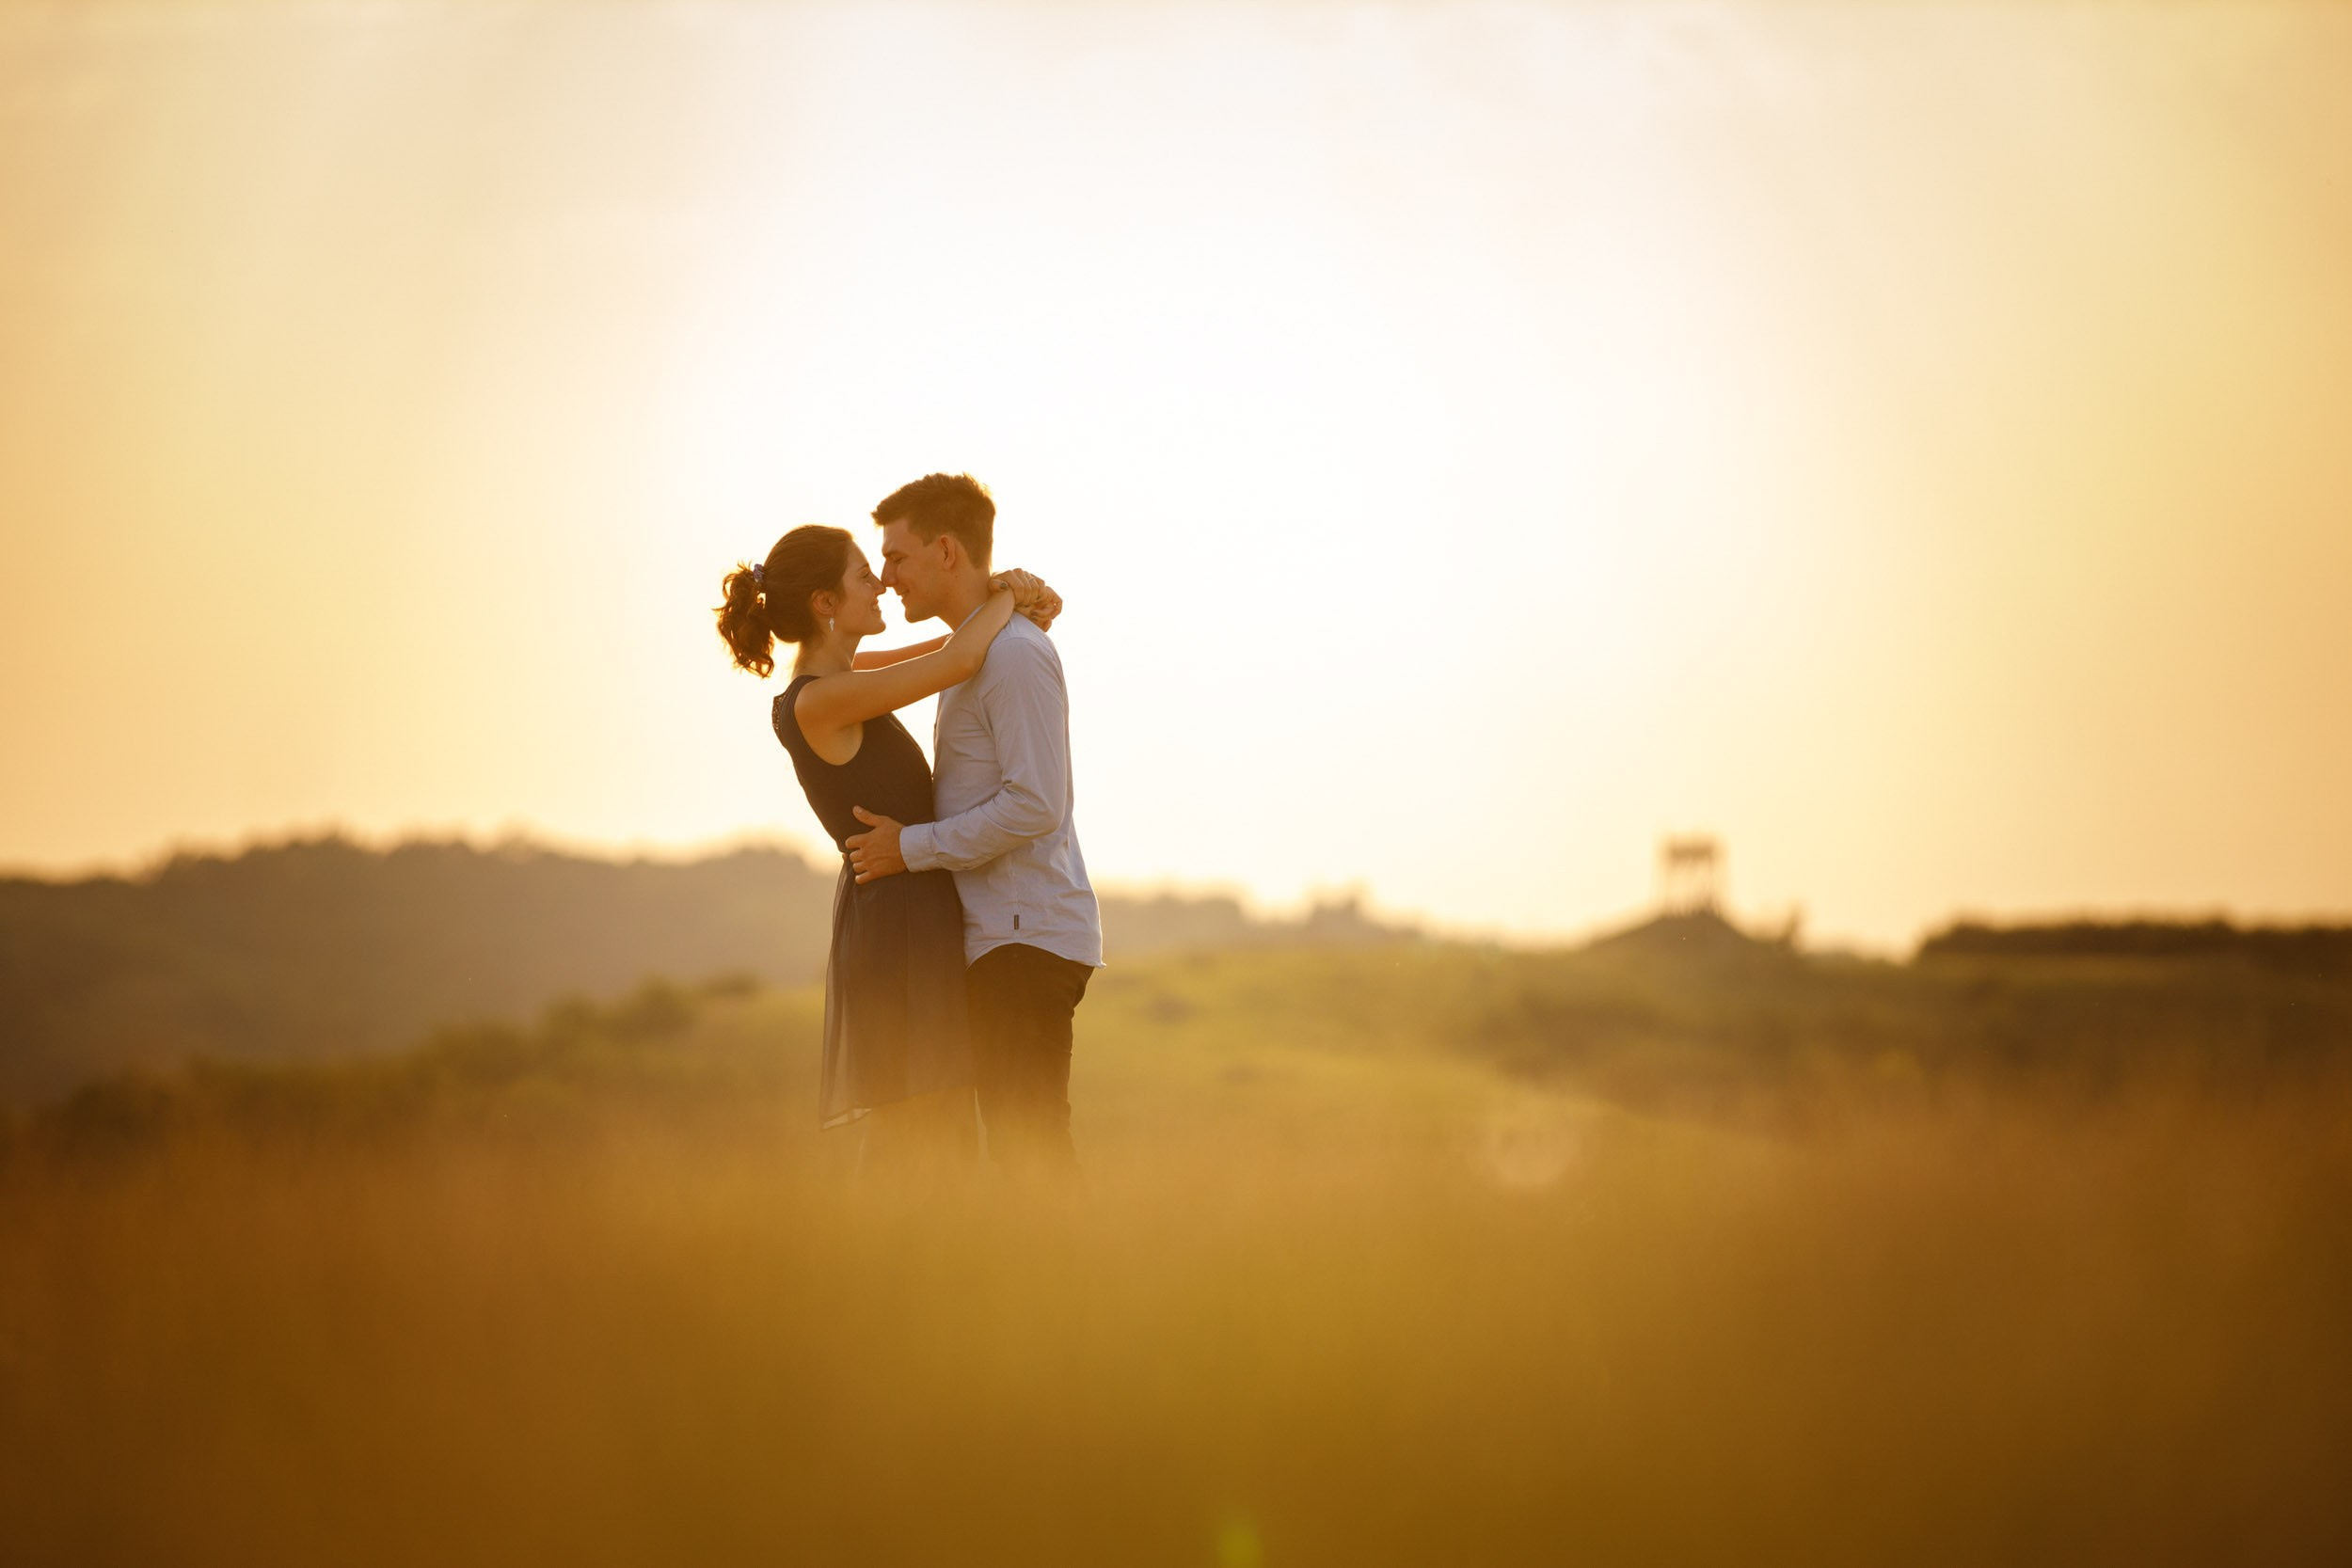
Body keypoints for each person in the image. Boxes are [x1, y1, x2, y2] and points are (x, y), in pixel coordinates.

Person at [714, 523, 1059, 1171]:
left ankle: (899, 1259)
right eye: (861, 577)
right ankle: (882, 1258)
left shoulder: (843, 677)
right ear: (824, 602)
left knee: (933, 1122)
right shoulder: (819, 700)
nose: (880, 585)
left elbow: (950, 650)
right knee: (920, 1121)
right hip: (898, 922)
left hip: (913, 903)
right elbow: (955, 663)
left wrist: (1012, 614)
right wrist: (1009, 595)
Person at [842, 474, 1102, 1181]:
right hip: (1001, 936)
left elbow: (1036, 803)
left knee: (1031, 1148)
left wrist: (909, 848)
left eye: (896, 556)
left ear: (947, 551)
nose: (887, 577)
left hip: (1025, 936)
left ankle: (1087, 1288)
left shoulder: (1013, 654)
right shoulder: (973, 650)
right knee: (1023, 1150)